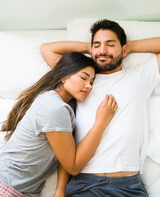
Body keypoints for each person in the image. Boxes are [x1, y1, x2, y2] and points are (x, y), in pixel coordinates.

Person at [41, 19, 160, 197]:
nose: (102, 50)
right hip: (84, 185)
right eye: (97, 45)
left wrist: (127, 46)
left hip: (127, 187)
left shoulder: (140, 76)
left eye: (110, 45)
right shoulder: (80, 80)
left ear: (124, 49)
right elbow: (47, 49)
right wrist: (89, 47)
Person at [0, 51, 118, 197]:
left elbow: (67, 153)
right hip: (7, 185)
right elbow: (73, 166)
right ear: (64, 76)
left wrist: (60, 190)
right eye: (83, 78)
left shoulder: (63, 105)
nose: (89, 86)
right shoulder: (54, 108)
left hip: (22, 190)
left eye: (92, 82)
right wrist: (101, 123)